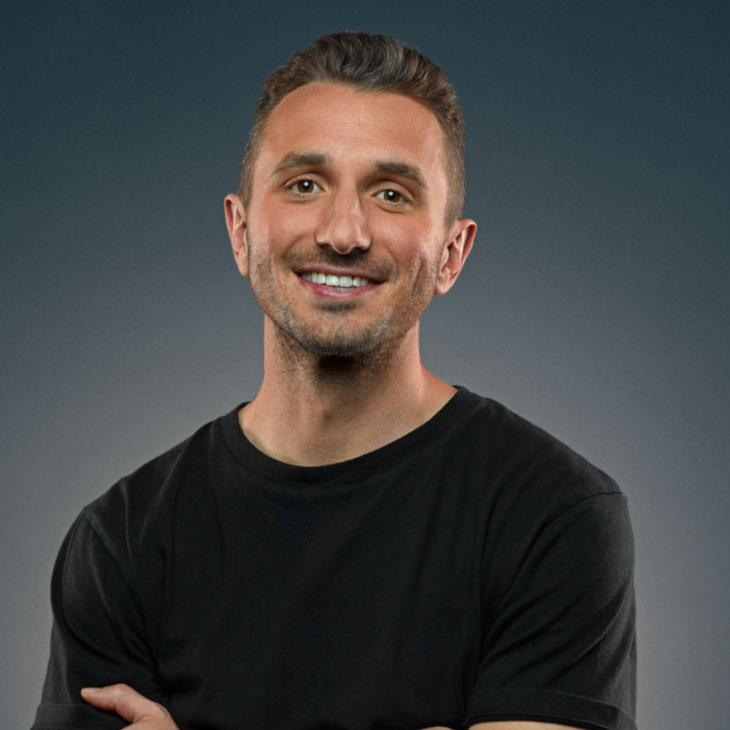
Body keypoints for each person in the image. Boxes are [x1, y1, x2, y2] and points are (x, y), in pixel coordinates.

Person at [32, 32, 636, 730]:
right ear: (240, 231)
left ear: (451, 253)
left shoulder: (553, 514)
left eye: (391, 193)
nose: (344, 232)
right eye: (305, 184)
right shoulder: (122, 540)